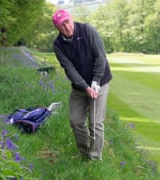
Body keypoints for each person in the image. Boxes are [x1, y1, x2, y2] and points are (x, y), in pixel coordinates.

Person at [52, 9, 112, 161]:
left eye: (67, 22)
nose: (67, 27)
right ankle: (84, 153)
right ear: (58, 28)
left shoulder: (87, 31)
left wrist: (95, 82)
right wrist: (85, 87)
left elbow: (100, 57)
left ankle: (95, 158)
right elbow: (69, 69)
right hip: (79, 87)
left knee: (95, 122)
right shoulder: (58, 45)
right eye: (62, 26)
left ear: (71, 19)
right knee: (76, 120)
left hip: (100, 82)